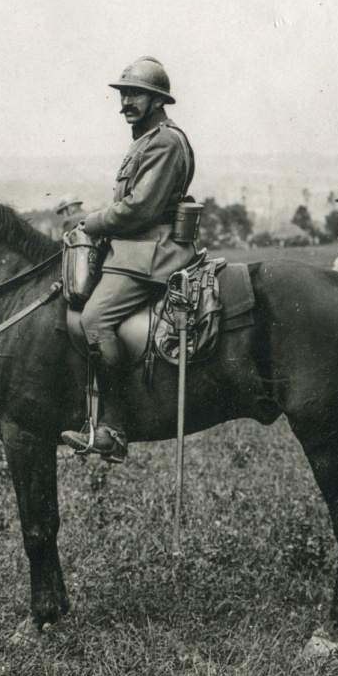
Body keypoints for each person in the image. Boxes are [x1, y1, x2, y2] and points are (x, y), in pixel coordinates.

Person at [60, 57, 196, 463]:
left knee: (94, 319)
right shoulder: (145, 139)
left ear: (158, 99)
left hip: (151, 254)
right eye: (122, 95)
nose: (125, 103)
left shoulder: (165, 142)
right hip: (133, 250)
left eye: (134, 94)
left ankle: (113, 429)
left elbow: (139, 209)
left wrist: (92, 222)